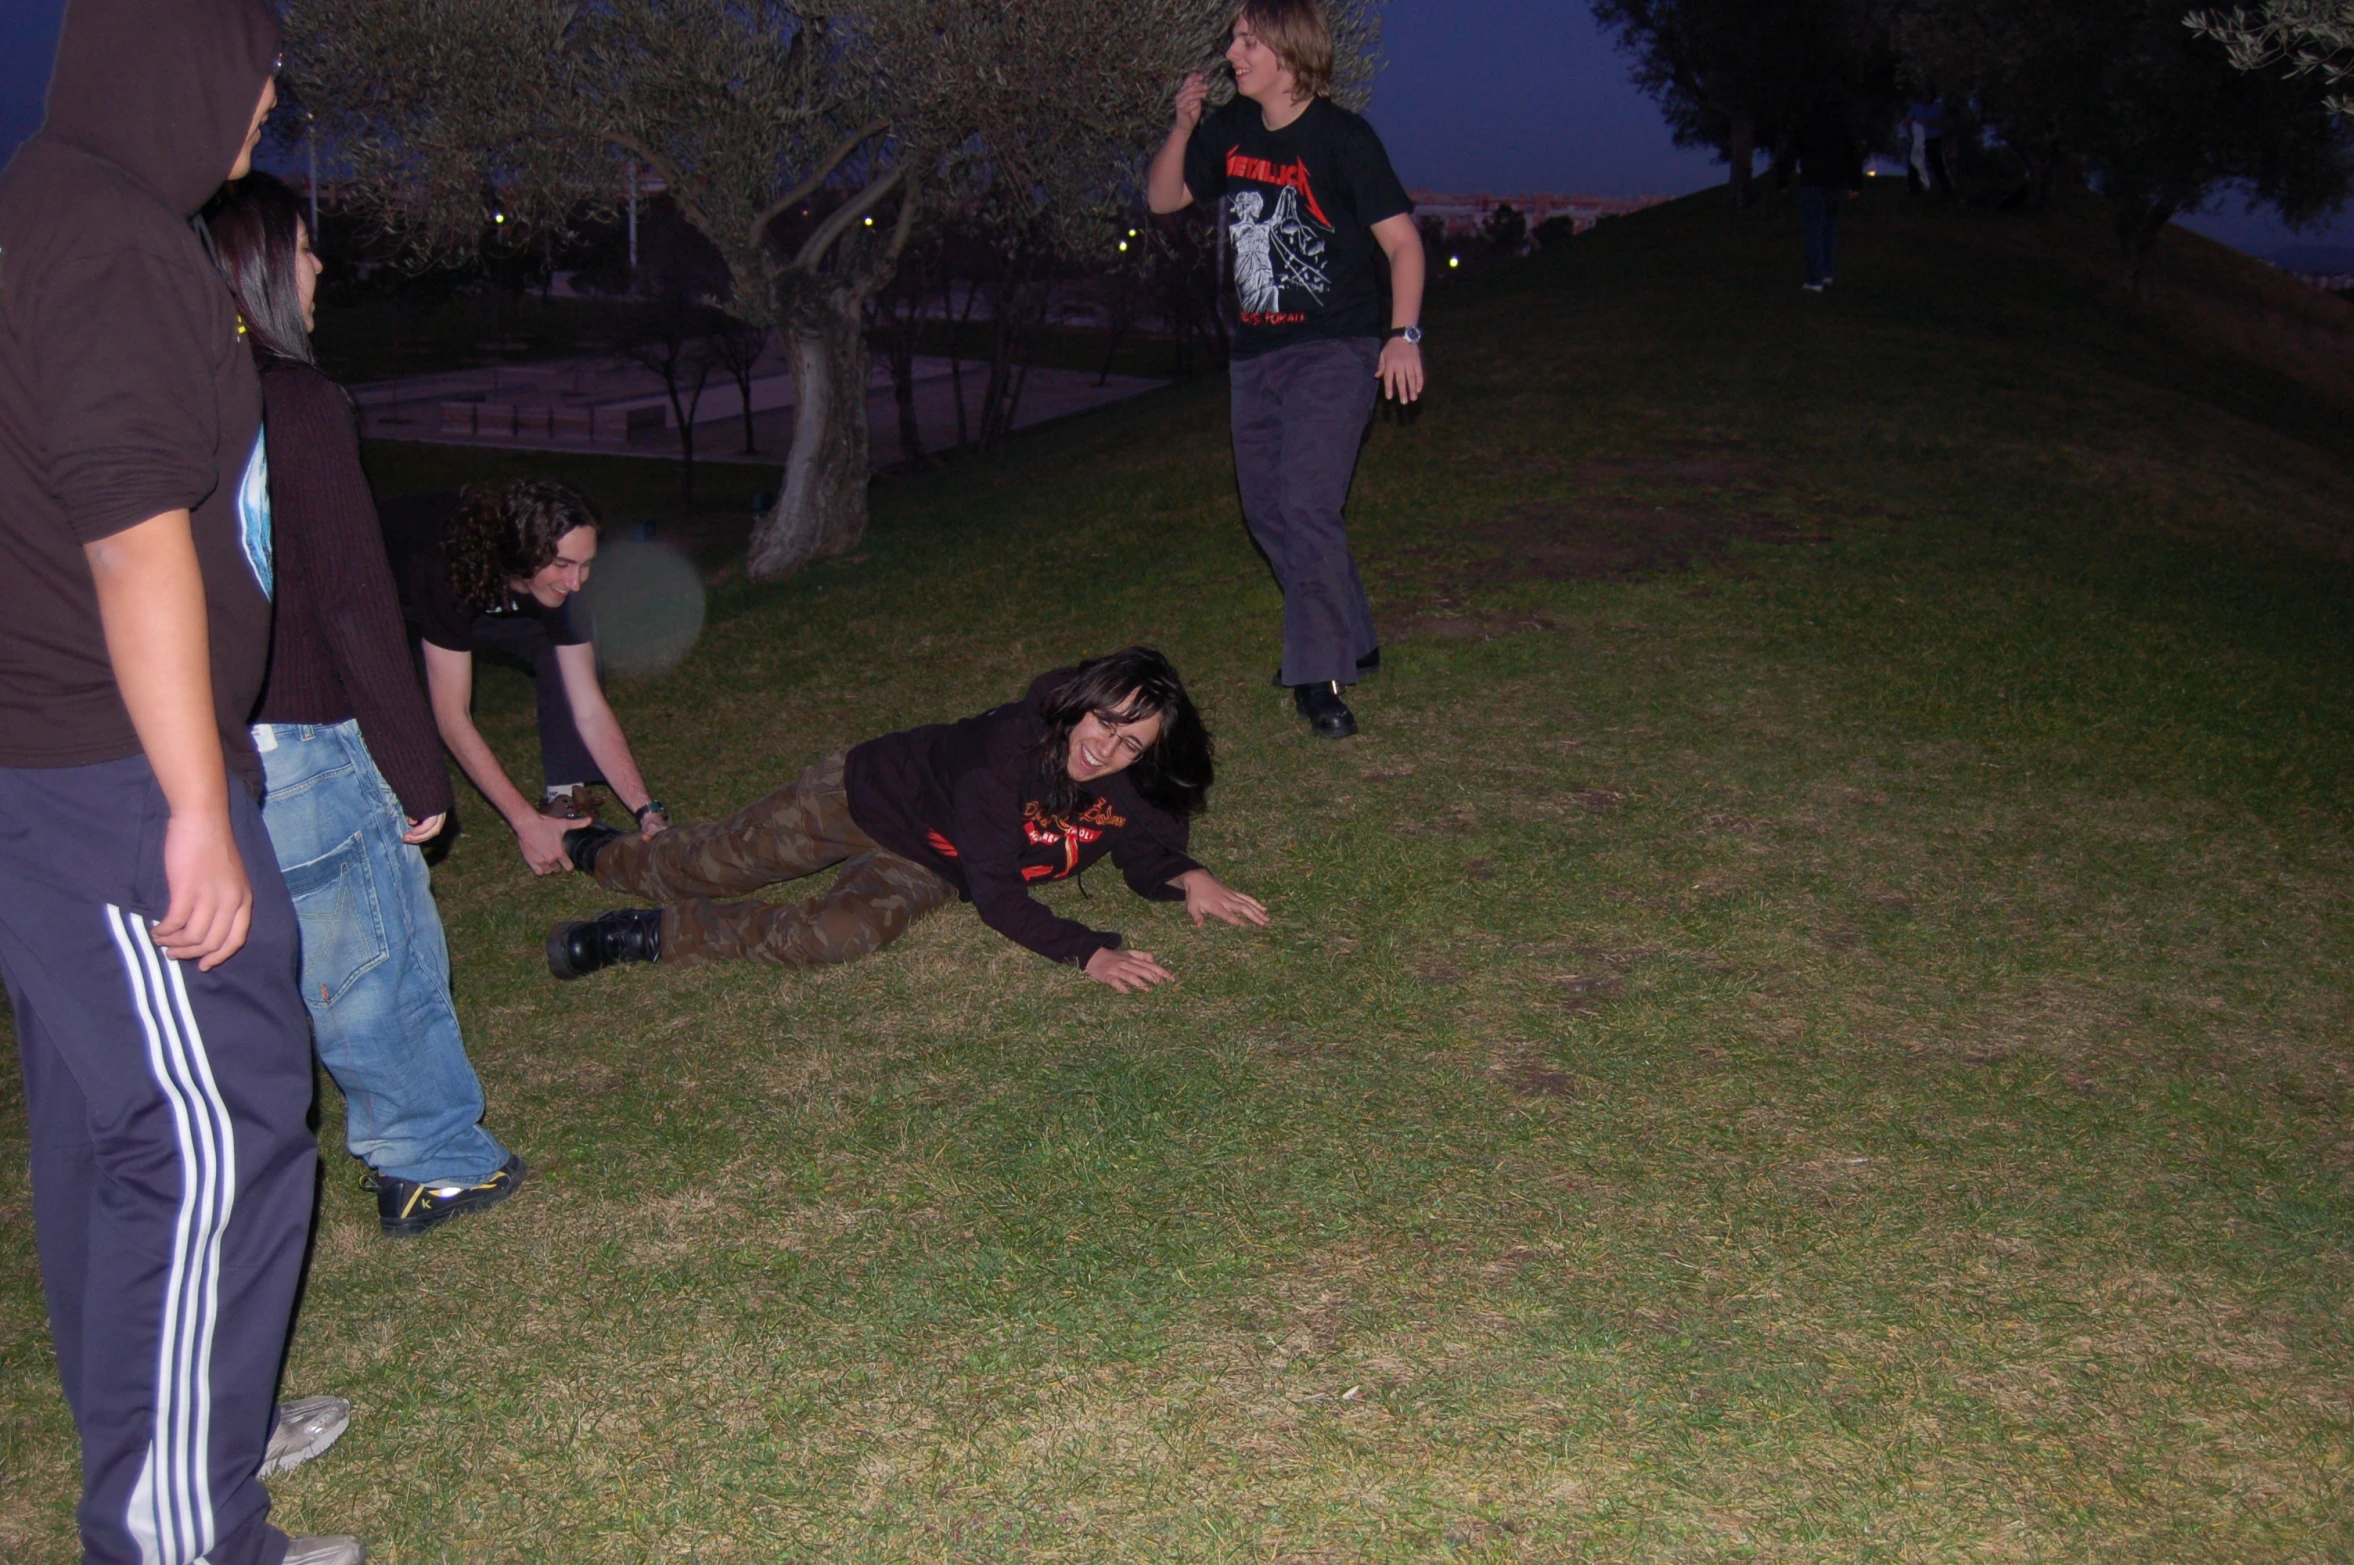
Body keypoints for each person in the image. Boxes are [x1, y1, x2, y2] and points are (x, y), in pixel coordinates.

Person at [0, 2, 362, 1561]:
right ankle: (179, 1534)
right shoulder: (103, 239)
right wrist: (198, 808)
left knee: (112, 1139)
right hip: (112, 773)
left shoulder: (51, 212)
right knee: (214, 1136)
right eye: (254, 73)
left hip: (58, 766)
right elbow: (133, 529)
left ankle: (186, 1440)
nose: (265, 104)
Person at [205, 173, 528, 1238]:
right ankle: (431, 1158)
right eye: (305, 248)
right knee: (374, 958)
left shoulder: (173, 397)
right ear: (259, 264)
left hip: (208, 742)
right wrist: (413, 764)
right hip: (302, 737)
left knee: (270, 974)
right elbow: (350, 598)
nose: (319, 268)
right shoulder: (294, 400)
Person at [544, 648, 1269, 989]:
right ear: (1080, 703)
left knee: (836, 936)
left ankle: (643, 935)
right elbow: (1000, 898)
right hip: (862, 796)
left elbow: (1144, 848)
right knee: (703, 863)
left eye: (1130, 744)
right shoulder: (1002, 758)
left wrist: (1186, 874)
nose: (1105, 747)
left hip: (929, 859)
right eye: (1103, 722)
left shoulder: (1128, 781)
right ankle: (597, 851)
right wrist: (1090, 951)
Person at [1146, 0, 1424, 741]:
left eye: (1247, 40)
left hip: (1335, 348)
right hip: (1256, 353)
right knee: (1269, 511)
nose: (1233, 51)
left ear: (1289, 52)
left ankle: (1318, 674)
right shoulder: (1232, 130)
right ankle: (1353, 635)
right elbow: (1164, 198)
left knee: (1305, 505)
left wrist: (1403, 335)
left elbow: (1403, 244)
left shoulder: (1343, 140)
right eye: (1235, 38)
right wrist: (1183, 125)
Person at [380, 480, 671, 875]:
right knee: (386, 699)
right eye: (564, 565)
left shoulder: (567, 582)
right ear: (523, 552)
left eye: (586, 565)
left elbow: (588, 709)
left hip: (504, 586)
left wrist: (647, 810)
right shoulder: (446, 568)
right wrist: (524, 823)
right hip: (386, 584)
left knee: (559, 651)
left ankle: (566, 808)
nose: (577, 581)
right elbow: (453, 717)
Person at [1795, 99, 1865, 293]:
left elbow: (1793, 149)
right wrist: (1856, 183)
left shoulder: (1806, 124)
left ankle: (1814, 279)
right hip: (1837, 183)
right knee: (1829, 226)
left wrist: (1782, 178)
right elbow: (1854, 154)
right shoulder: (1844, 126)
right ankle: (1827, 273)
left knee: (1813, 229)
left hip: (1813, 181)